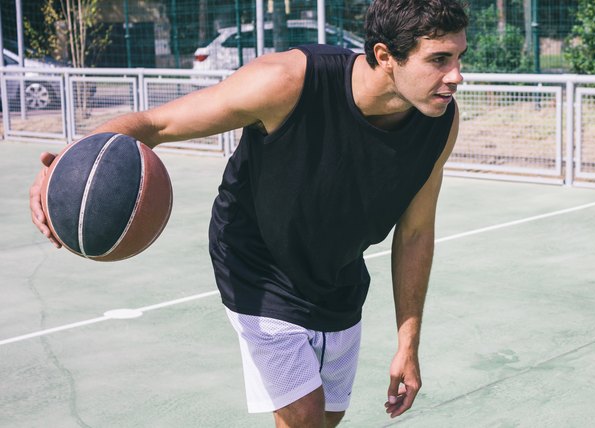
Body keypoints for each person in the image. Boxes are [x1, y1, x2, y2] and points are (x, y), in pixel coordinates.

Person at [29, 0, 468, 425]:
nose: (456, 76)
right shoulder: (286, 83)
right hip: (255, 264)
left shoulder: (440, 124)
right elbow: (154, 125)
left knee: (328, 416)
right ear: (385, 56)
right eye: (439, 60)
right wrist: (62, 171)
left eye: (459, 58)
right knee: (305, 416)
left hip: (336, 275)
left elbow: (414, 234)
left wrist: (407, 345)